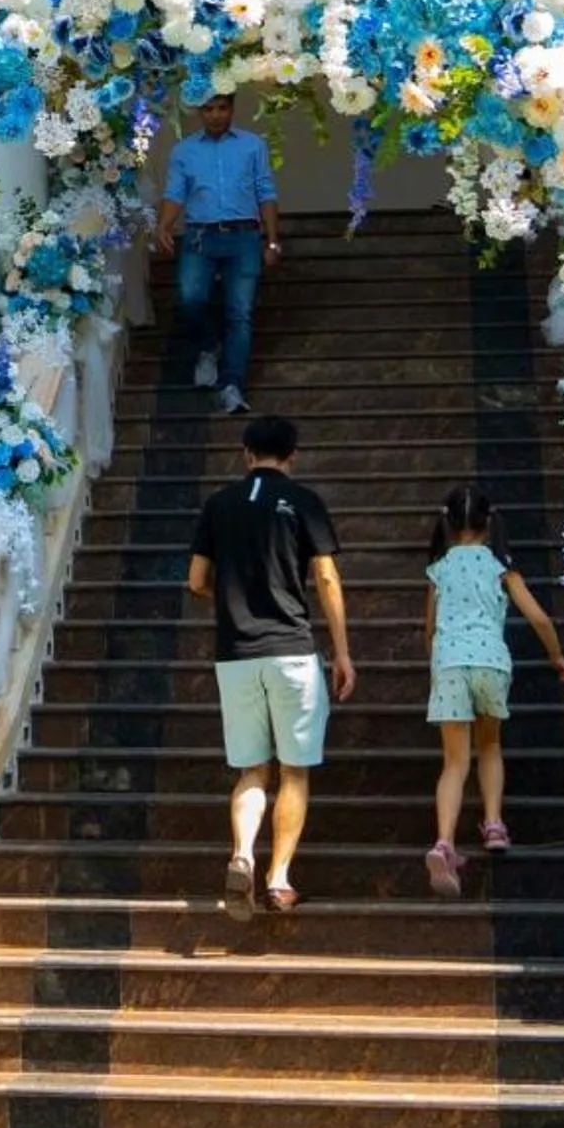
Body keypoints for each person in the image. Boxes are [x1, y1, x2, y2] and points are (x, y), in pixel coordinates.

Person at [187, 414, 354, 915]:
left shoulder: (219, 504)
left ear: (245, 453)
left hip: (236, 656)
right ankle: (279, 878)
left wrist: (232, 599)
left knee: (252, 771)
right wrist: (343, 651)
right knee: (295, 772)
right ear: (292, 455)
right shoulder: (304, 502)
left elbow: (196, 579)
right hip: (292, 653)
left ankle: (241, 855)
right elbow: (325, 578)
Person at [419, 481, 564, 899]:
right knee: (489, 746)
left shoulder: (439, 569)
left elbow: (429, 629)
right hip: (490, 662)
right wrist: (556, 655)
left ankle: (444, 843)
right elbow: (538, 617)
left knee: (454, 763)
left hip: (449, 663)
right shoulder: (499, 565)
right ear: (489, 521)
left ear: (448, 524)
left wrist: (438, 662)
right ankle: (493, 825)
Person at [153, 93, 281, 416]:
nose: (215, 115)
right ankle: (209, 346)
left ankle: (231, 385)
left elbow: (265, 191)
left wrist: (273, 240)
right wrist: (164, 225)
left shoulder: (253, 146)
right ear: (199, 112)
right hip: (200, 236)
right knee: (190, 298)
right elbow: (174, 191)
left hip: (244, 236)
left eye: (222, 108)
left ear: (232, 109)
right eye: (208, 109)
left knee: (240, 312)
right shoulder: (184, 151)